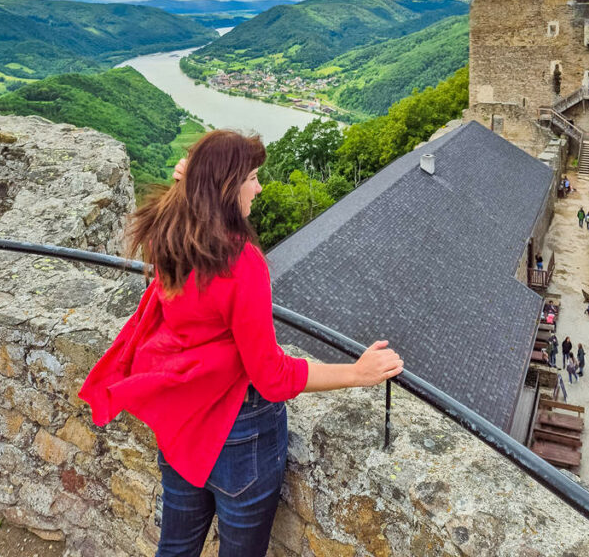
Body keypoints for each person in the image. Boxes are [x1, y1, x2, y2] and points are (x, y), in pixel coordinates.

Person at [79, 130, 403, 557]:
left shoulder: (168, 232)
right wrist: (357, 374)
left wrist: (186, 182)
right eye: (252, 176)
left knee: (175, 547)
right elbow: (270, 376)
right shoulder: (239, 262)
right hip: (240, 433)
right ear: (226, 188)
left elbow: (180, 200)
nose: (259, 187)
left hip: (184, 416)